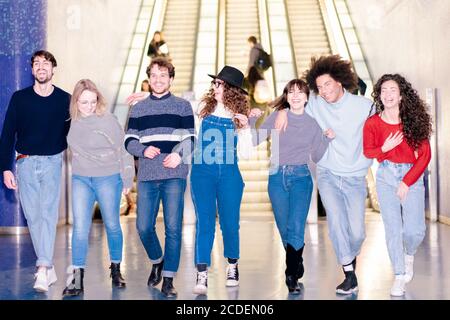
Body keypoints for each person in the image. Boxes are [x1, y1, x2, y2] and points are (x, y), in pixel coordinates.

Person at [275, 55, 373, 295]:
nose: (324, 91)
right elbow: (294, 102)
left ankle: (350, 255)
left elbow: (382, 127)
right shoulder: (316, 104)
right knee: (337, 224)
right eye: (319, 87)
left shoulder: (364, 106)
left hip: (355, 176)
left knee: (357, 232)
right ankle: (349, 273)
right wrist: (282, 111)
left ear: (339, 82)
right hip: (328, 174)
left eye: (327, 84)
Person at [249, 79, 332, 294]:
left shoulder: (312, 123)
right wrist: (251, 120)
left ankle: (291, 274)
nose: (295, 96)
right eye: (291, 92)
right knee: (283, 227)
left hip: (301, 178)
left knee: (296, 226)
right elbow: (254, 140)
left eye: (300, 92)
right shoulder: (277, 116)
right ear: (286, 96)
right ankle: (296, 260)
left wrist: (327, 140)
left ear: (306, 97)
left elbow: (317, 155)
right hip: (276, 177)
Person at [0, 50, 71, 292]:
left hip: (52, 162)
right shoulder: (19, 98)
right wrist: (5, 168)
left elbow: (76, 133)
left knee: (48, 214)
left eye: (46, 63)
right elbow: (7, 134)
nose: (41, 67)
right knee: (33, 216)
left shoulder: (65, 100)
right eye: (37, 64)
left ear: (53, 69)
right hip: (25, 163)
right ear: (32, 70)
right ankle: (48, 268)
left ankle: (42, 267)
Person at [125, 57, 195, 297]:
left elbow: (190, 139)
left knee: (173, 228)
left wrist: (178, 155)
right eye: (154, 75)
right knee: (143, 226)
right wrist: (142, 150)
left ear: (171, 79)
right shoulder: (139, 108)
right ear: (149, 79)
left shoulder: (182, 106)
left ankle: (168, 279)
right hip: (147, 174)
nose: (158, 80)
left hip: (174, 173)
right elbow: (129, 139)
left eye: (163, 76)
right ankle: (157, 260)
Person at [62, 79, 134, 296]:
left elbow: (124, 149)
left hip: (108, 177)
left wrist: (127, 177)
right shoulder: (69, 121)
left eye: (92, 102)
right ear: (76, 101)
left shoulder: (108, 120)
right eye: (84, 102)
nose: (89, 107)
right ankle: (77, 278)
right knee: (80, 228)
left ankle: (115, 269)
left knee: (112, 224)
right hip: (81, 179)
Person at [363, 74, 431, 297]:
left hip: (411, 175)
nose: (388, 94)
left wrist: (406, 181)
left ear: (401, 95)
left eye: (393, 90)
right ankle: (399, 275)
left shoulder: (413, 120)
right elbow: (368, 151)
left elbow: (425, 155)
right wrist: (384, 148)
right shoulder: (372, 123)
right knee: (393, 228)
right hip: (385, 177)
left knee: (414, 231)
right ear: (379, 95)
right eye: (384, 90)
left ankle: (408, 253)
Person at [191, 65, 250, 296]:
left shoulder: (238, 118)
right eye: (215, 83)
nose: (215, 87)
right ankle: (202, 272)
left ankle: (232, 265)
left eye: (220, 84)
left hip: (229, 175)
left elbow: (246, 154)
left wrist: (245, 129)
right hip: (202, 172)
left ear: (231, 90)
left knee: (229, 223)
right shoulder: (202, 109)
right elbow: (191, 138)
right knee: (204, 223)